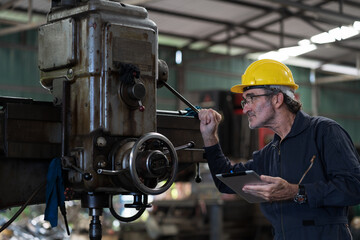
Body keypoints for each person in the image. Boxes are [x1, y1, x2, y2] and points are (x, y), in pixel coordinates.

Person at [198, 59, 360, 240]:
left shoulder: (324, 132)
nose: (246, 109)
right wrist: (209, 137)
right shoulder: (269, 154)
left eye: (251, 98)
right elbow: (225, 181)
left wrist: (296, 192)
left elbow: (354, 187)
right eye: (244, 102)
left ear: (277, 98)